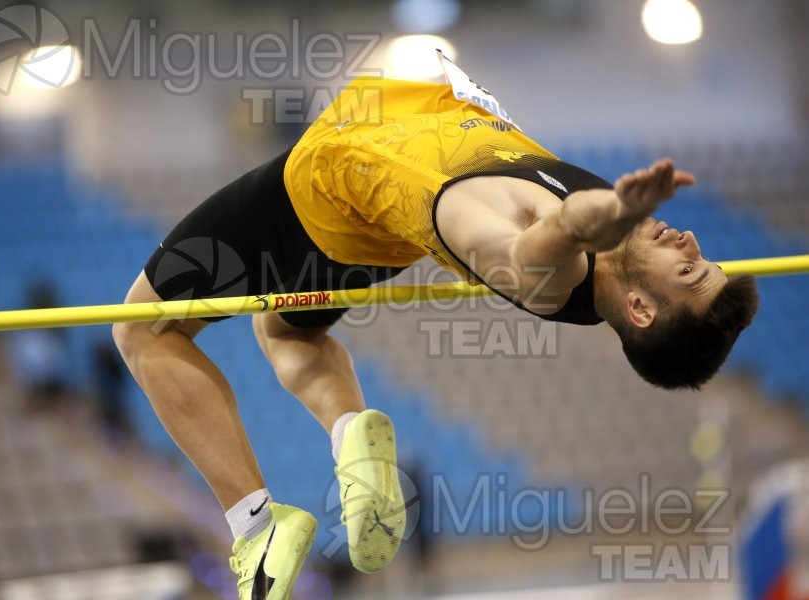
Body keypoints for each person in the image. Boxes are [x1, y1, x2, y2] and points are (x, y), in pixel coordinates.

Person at [112, 55, 758, 599]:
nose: (692, 243)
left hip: (331, 185)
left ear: (641, 310)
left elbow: (549, 238)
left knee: (142, 330)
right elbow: (571, 218)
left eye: (692, 271)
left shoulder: (552, 273)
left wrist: (616, 211)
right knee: (289, 333)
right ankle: (349, 435)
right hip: (375, 208)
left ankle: (257, 531)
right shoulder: (606, 248)